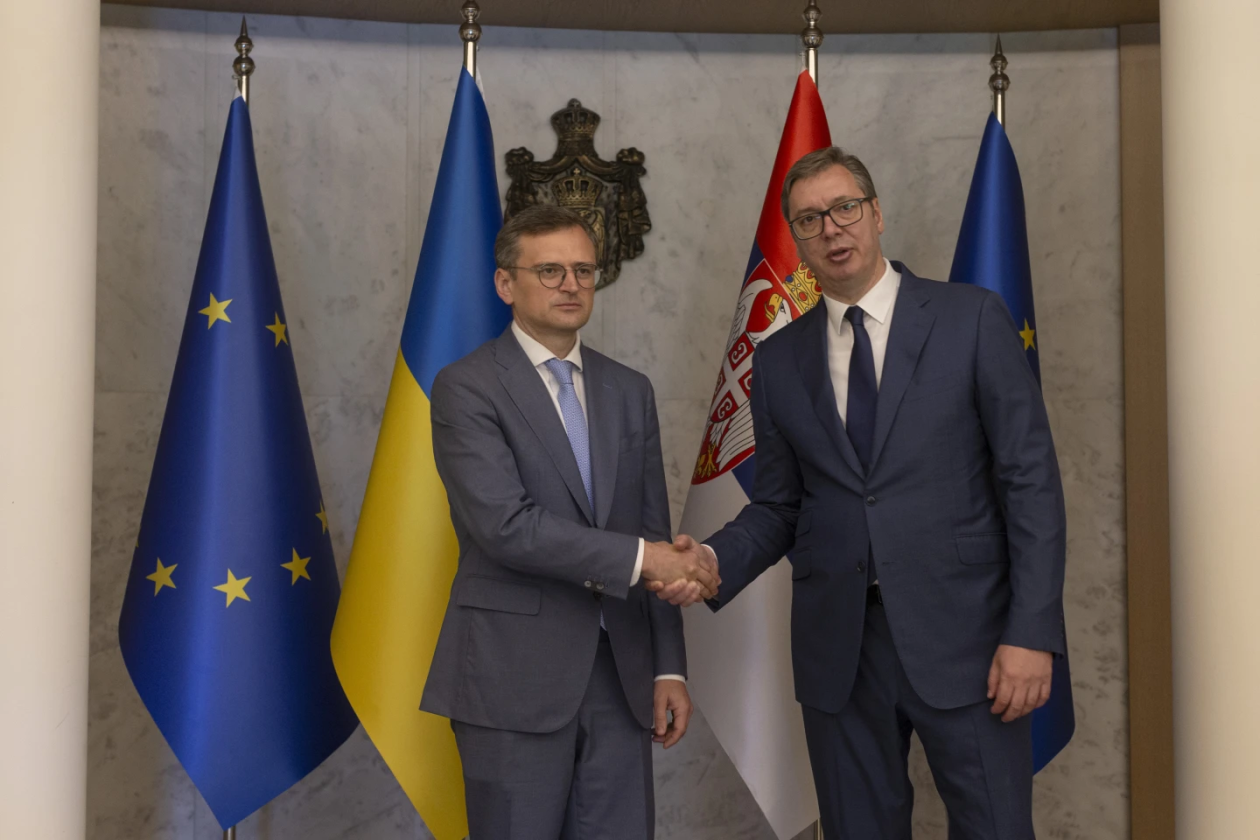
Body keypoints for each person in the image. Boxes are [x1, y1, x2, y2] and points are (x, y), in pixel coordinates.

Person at [671, 147, 1067, 838]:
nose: (831, 229)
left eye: (844, 208)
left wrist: (1031, 633)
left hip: (969, 640)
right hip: (841, 652)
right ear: (796, 239)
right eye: (809, 219)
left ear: (876, 214)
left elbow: (1030, 483)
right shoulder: (779, 358)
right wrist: (710, 560)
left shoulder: (971, 319)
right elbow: (780, 506)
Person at [421, 204, 718, 839]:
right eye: (550, 270)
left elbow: (653, 527)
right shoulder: (465, 387)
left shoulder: (628, 389)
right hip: (511, 678)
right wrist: (646, 559)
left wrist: (668, 666)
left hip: (621, 676)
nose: (571, 285)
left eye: (584, 270)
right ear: (506, 284)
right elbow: (505, 526)